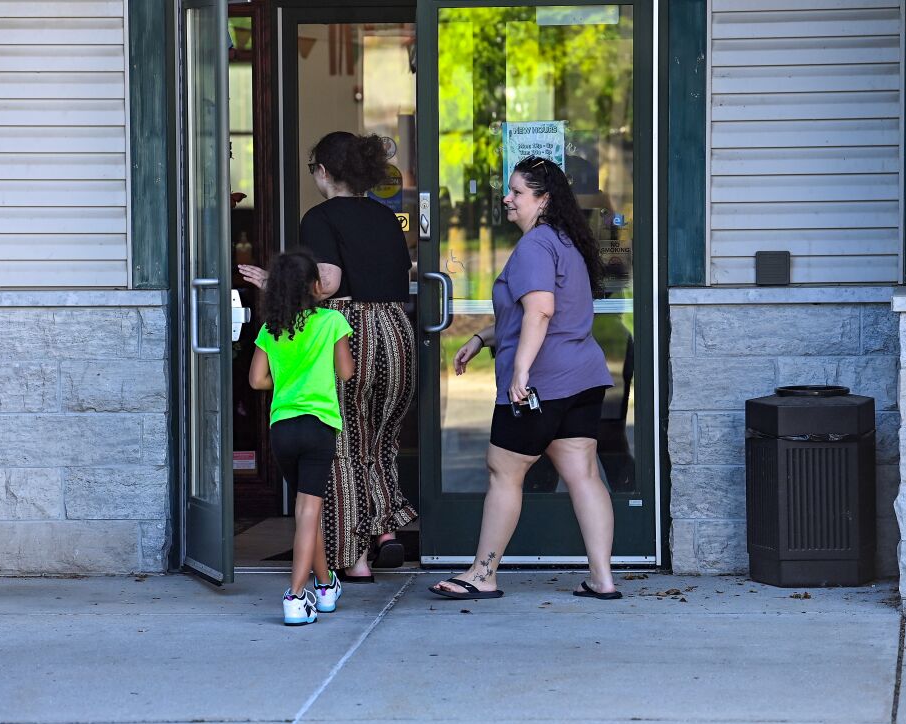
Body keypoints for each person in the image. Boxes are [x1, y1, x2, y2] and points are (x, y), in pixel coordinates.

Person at [429, 156, 621, 601]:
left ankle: (482, 574)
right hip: (582, 377)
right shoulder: (566, 242)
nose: (507, 198)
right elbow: (530, 313)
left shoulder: (535, 246)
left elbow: (540, 311)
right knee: (584, 474)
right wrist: (481, 337)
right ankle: (602, 578)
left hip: (542, 383)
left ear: (544, 199)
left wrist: (520, 371)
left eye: (516, 192)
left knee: (503, 472)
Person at [240, 131, 416, 582]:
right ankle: (386, 533)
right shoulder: (385, 217)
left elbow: (330, 282)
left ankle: (353, 559)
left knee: (341, 446)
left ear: (323, 172)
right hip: (395, 332)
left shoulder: (319, 217)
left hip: (350, 331)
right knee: (380, 440)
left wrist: (276, 284)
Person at [249, 250, 354, 625]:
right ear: (315, 287)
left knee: (309, 510)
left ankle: (326, 587)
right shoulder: (331, 321)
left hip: (283, 429)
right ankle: (295, 596)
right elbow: (346, 371)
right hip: (318, 426)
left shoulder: (270, 329)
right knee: (308, 511)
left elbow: (257, 380)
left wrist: (289, 379)